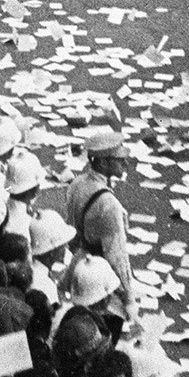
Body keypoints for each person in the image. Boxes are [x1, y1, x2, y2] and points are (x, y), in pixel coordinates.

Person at [63, 129, 136, 321]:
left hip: (79, 262)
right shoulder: (108, 204)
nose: (125, 163)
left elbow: (71, 231)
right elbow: (117, 256)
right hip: (101, 272)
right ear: (102, 162)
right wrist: (128, 298)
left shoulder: (77, 183)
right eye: (119, 159)